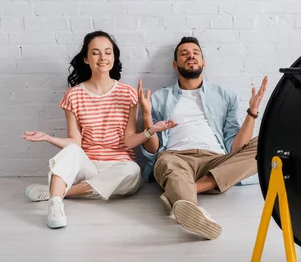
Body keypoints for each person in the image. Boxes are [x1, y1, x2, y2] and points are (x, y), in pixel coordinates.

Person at [22, 31, 175, 229]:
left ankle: (58, 191)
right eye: (95, 53)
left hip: (118, 168)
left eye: (107, 52)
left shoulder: (128, 93)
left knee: (132, 171)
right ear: (86, 59)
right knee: (71, 151)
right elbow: (75, 142)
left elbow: (128, 141)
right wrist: (48, 138)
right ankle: (55, 204)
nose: (102, 58)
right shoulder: (73, 96)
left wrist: (150, 130)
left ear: (114, 57)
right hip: (87, 166)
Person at [141, 36, 268, 240]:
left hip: (216, 160)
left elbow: (236, 147)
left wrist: (252, 112)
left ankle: (187, 190)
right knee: (165, 162)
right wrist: (146, 115)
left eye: (195, 53)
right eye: (184, 53)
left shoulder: (225, 96)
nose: (190, 55)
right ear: (175, 64)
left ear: (203, 62)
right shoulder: (158, 98)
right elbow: (153, 150)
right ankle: (195, 212)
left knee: (265, 145)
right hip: (176, 157)